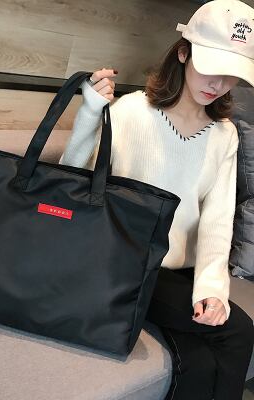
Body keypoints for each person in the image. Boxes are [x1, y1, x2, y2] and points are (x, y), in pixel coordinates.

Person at [58, 1, 254, 399]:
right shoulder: (131, 112)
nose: (219, 84)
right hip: (124, 263)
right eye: (211, 66)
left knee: (199, 361)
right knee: (238, 331)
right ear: (183, 53)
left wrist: (212, 289)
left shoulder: (224, 134)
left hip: (180, 272)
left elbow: (217, 220)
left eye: (232, 74)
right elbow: (70, 181)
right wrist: (90, 112)